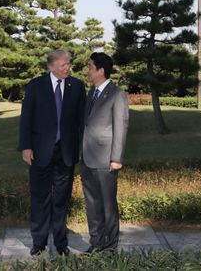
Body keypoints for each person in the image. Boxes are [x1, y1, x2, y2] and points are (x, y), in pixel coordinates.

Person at [18, 49, 86, 257]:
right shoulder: (36, 86)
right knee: (39, 198)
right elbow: (26, 118)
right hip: (39, 153)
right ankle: (38, 243)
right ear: (51, 66)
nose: (67, 68)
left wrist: (82, 149)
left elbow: (81, 122)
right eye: (63, 65)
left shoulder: (77, 86)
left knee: (61, 201)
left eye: (68, 64)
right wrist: (26, 147)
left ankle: (60, 243)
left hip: (66, 154)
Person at [81, 52, 129, 253]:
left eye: (91, 66)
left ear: (101, 70)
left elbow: (121, 126)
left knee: (108, 206)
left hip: (106, 159)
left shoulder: (117, 94)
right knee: (92, 205)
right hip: (87, 157)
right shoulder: (91, 93)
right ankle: (96, 243)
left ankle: (110, 247)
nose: (88, 70)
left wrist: (116, 158)